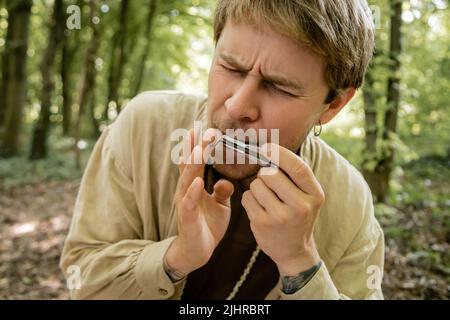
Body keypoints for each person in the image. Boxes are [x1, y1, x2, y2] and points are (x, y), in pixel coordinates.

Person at [60, 0, 384, 299]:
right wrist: (176, 258)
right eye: (231, 67)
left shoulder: (350, 201)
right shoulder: (143, 127)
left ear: (334, 105)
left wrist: (301, 264)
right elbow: (83, 282)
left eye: (279, 87)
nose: (237, 106)